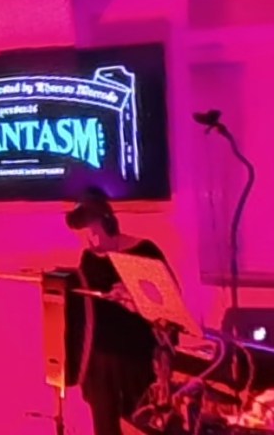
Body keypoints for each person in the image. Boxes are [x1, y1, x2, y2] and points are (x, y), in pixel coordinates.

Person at [66, 186, 177, 435]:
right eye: (83, 237)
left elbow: (170, 305)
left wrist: (136, 297)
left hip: (137, 359)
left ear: (109, 224)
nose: (90, 243)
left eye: (94, 235)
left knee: (141, 424)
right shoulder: (89, 258)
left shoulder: (143, 251)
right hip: (99, 361)